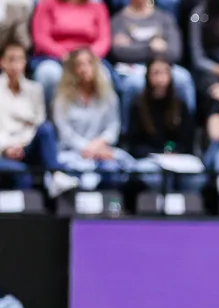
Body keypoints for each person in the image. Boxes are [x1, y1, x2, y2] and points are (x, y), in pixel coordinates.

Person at [51, 46, 133, 190]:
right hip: (73, 153)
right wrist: (87, 148)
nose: (85, 68)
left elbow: (113, 127)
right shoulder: (62, 98)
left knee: (118, 167)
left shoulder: (108, 95)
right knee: (73, 173)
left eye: (89, 63)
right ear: (72, 70)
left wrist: (97, 146)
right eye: (79, 65)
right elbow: (64, 132)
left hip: (102, 150)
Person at [110, 0, 196, 129]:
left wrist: (134, 46)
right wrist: (151, 47)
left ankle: (188, 129)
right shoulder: (118, 20)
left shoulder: (164, 18)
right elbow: (120, 52)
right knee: (134, 83)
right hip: (133, 68)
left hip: (163, 64)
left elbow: (175, 52)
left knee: (183, 78)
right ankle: (125, 131)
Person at [0, 39, 71, 192]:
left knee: (46, 129)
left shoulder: (35, 89)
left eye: (20, 59)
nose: (15, 65)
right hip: (3, 149)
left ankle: (55, 176)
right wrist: (7, 148)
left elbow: (37, 122)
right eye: (11, 60)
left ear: (25, 62)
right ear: (2, 62)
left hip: (27, 145)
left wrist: (21, 145)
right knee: (20, 172)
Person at [124, 56, 203, 191]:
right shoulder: (137, 105)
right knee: (153, 175)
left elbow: (187, 139)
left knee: (195, 176)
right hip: (149, 158)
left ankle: (188, 209)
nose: (161, 78)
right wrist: (158, 153)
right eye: (156, 73)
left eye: (165, 72)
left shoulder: (180, 104)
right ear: (148, 76)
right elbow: (134, 143)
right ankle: (156, 208)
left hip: (177, 157)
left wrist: (173, 150)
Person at [30, 0, 113, 104]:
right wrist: (65, 55)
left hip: (89, 57)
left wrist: (86, 58)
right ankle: (48, 117)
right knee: (49, 74)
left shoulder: (98, 7)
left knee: (104, 75)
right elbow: (41, 38)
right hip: (55, 58)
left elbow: (104, 40)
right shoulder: (46, 5)